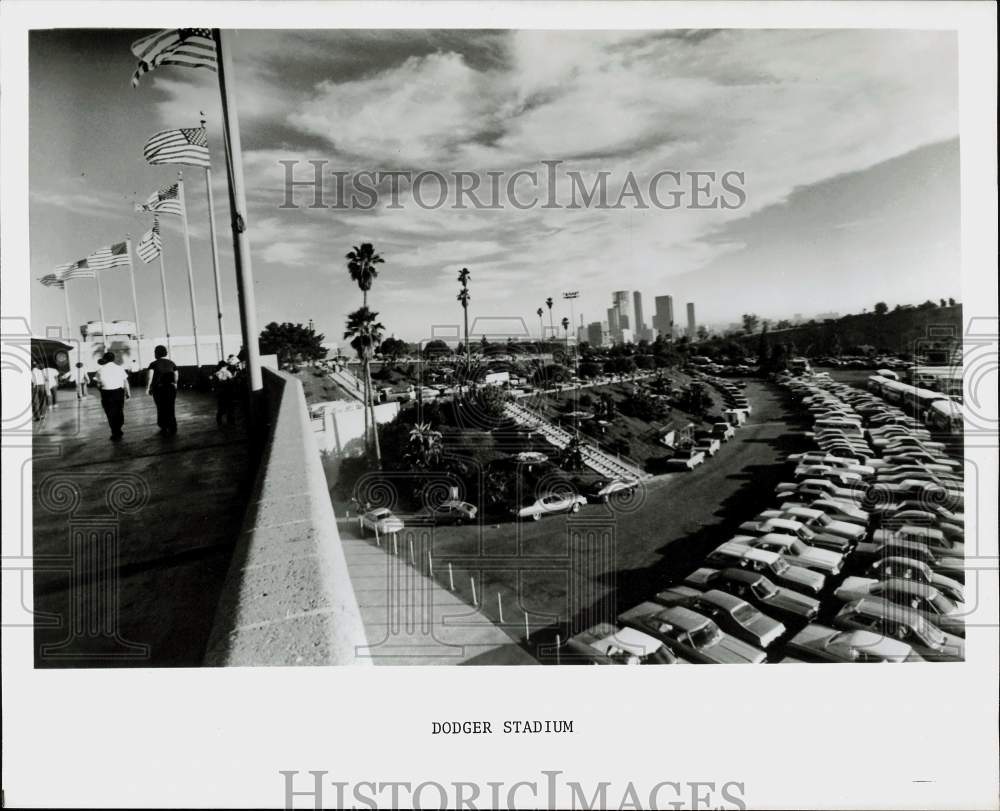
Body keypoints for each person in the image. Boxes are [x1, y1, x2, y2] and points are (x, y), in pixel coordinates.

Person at [95, 351, 130, 441]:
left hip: (106, 393)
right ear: (113, 358)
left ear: (105, 359)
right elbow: (125, 381)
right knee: (119, 410)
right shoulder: (120, 368)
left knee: (110, 413)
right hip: (119, 392)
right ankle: (119, 428)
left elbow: (98, 384)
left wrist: (101, 390)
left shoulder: (100, 370)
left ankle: (115, 431)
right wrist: (128, 392)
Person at [146, 345, 178, 436]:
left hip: (159, 389)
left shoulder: (153, 364)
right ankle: (173, 426)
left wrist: (148, 387)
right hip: (171, 388)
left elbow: (150, 377)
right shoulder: (171, 363)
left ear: (156, 353)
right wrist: (175, 384)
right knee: (171, 407)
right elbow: (176, 374)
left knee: (161, 407)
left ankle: (163, 426)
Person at [211, 360, 235, 427]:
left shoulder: (216, 373)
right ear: (224, 366)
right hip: (227, 393)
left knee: (221, 409)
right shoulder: (227, 373)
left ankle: (220, 423)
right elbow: (231, 382)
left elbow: (214, 384)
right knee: (230, 409)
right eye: (226, 366)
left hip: (220, 394)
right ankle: (231, 423)